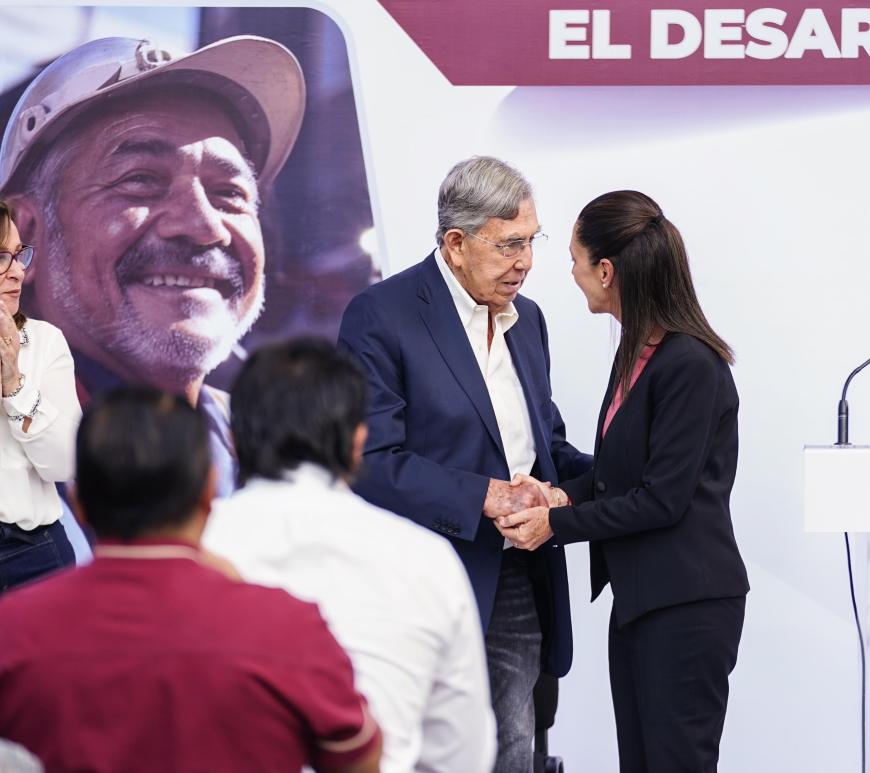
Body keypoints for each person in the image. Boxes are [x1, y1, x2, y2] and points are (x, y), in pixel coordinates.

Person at [337, 156, 591, 772]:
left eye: (531, 241)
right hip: (423, 585)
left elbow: (546, 445)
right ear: (456, 244)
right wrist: (486, 496)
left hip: (519, 574)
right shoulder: (382, 315)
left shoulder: (529, 320)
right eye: (509, 245)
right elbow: (370, 460)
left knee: (511, 750)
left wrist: (607, 479)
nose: (525, 262)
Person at [0, 386, 382, 773]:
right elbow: (358, 759)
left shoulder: (13, 631)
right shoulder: (287, 625)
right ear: (208, 491)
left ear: (78, 503)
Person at [498, 190, 750, 772]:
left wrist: (554, 523)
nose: (571, 274)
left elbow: (661, 500)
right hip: (641, 601)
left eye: (575, 260)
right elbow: (620, 475)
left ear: (606, 271)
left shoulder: (690, 364)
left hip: (686, 606)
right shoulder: (637, 352)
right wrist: (557, 493)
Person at [0, 34, 305, 498]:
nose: (204, 227)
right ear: (25, 236)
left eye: (229, 194)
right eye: (141, 180)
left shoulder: (279, 461)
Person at [204, 338, 496, 773]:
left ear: (231, 440)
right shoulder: (427, 559)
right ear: (359, 440)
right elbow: (462, 756)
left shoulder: (194, 551)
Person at [0, 200, 80, 592]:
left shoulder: (45, 341)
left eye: (19, 255)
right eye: (2, 257)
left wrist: (14, 383)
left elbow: (65, 463)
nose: (18, 271)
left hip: (32, 554)